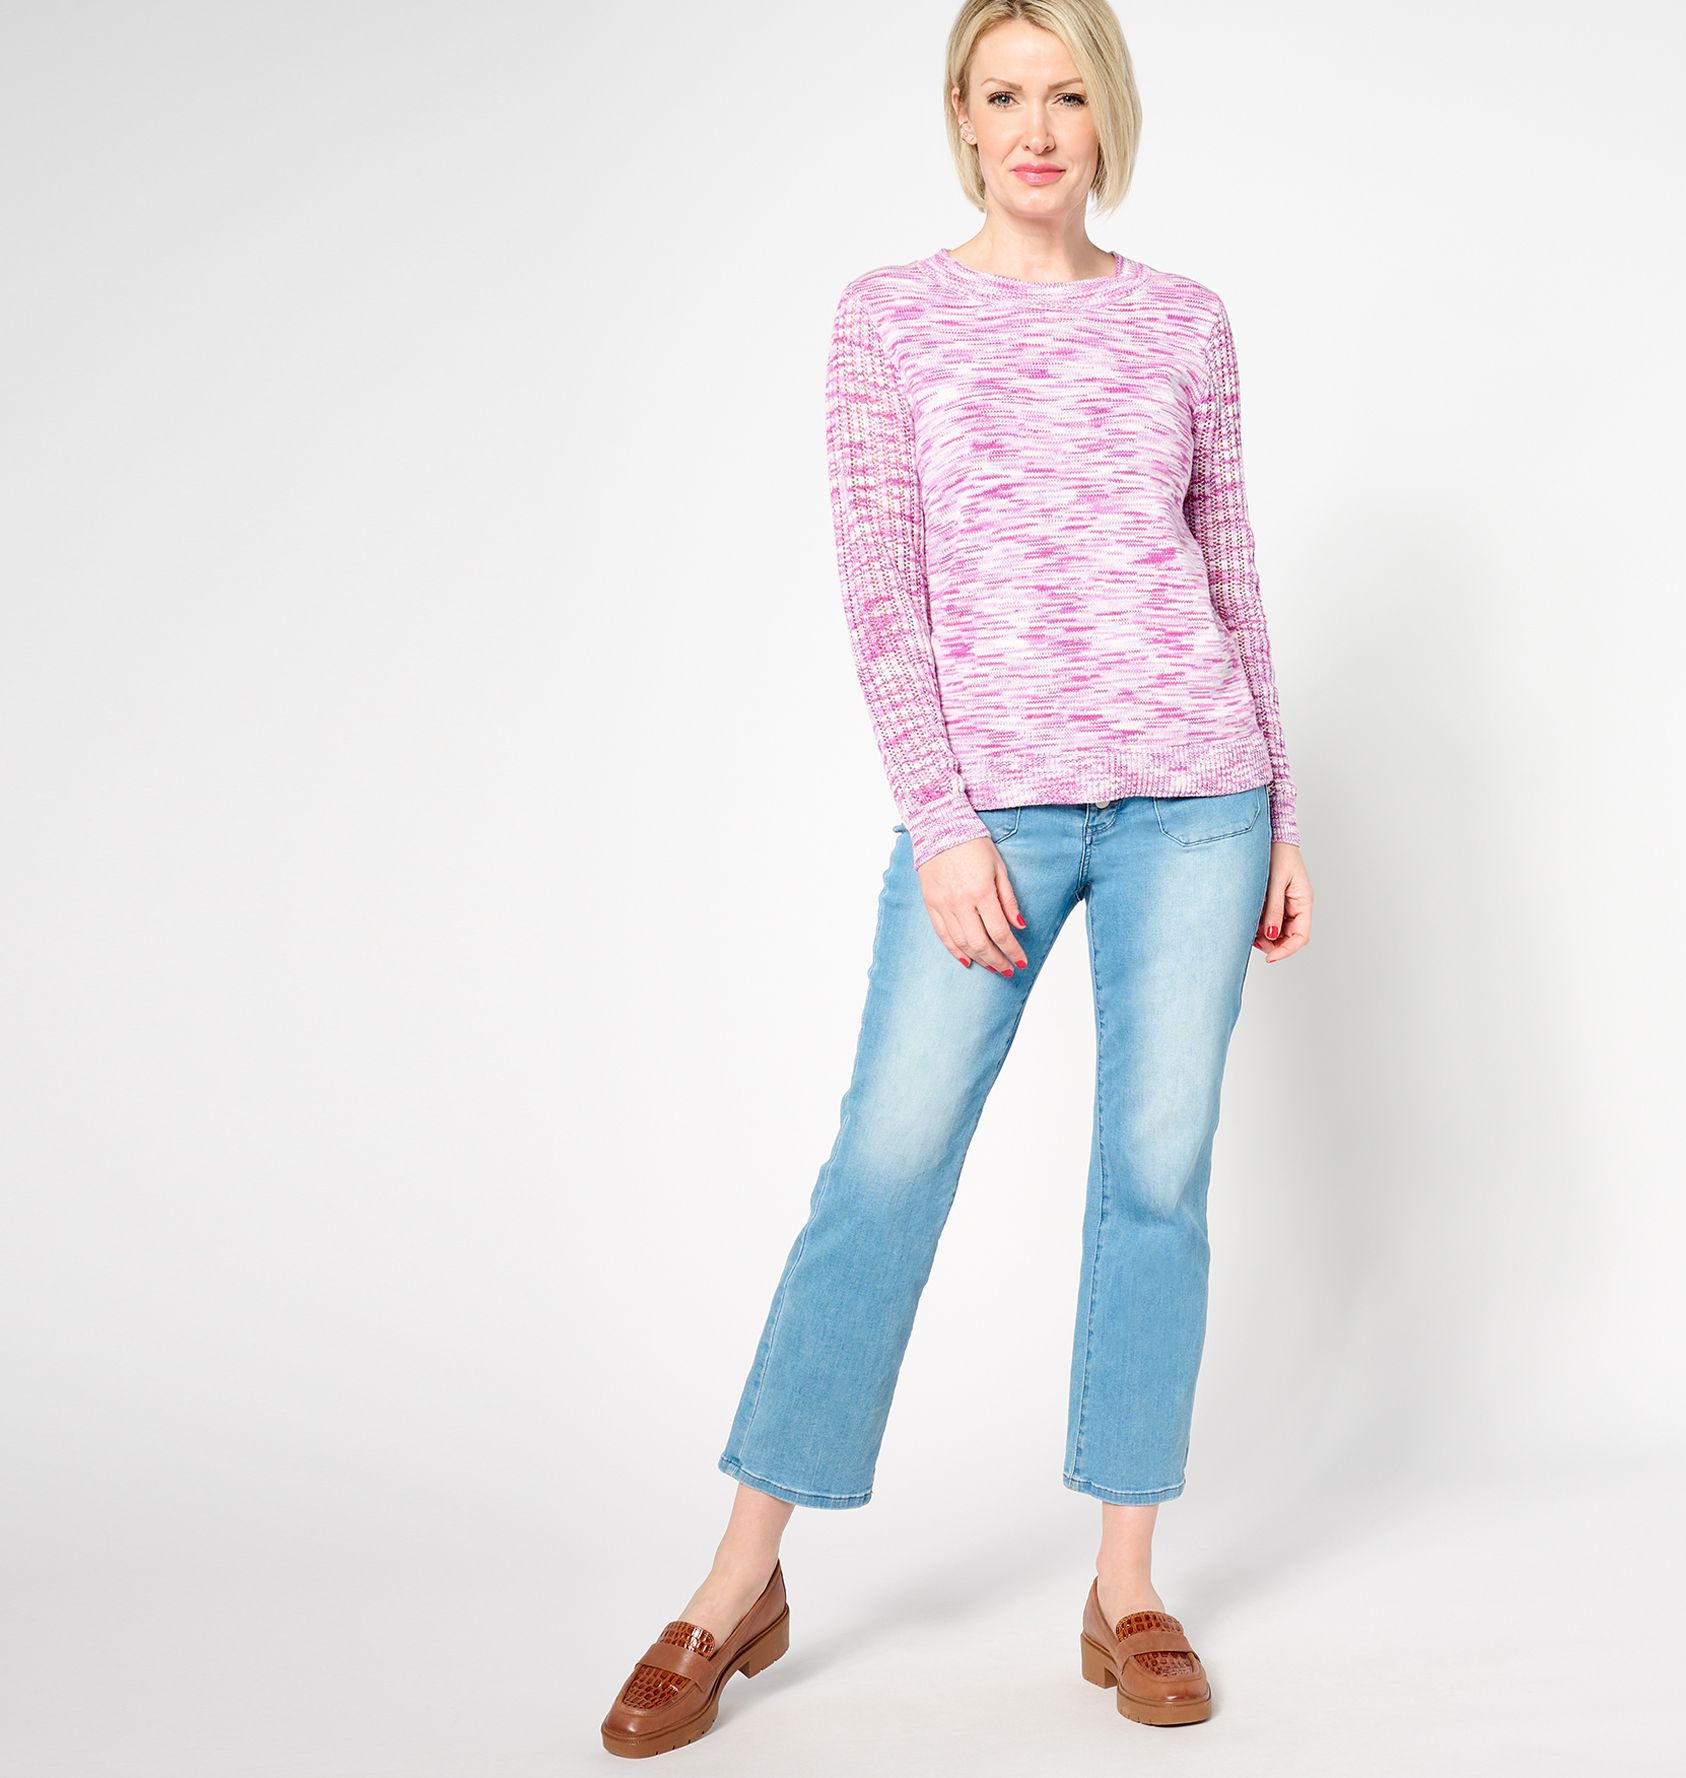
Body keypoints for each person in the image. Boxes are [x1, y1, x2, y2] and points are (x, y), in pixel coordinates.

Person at [600, 0, 1312, 1753]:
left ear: (1106, 112)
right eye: (1005, 94)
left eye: (1067, 93)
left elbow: (1228, 560)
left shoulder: (1185, 321)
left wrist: (1281, 807)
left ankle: (1126, 1588)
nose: (1037, 128)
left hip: (1197, 798)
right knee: (885, 1166)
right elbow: (882, 584)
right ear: (962, 115)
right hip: (995, 813)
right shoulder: (890, 319)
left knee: (1155, 1179)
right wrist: (940, 818)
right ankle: (736, 1581)